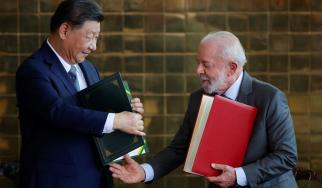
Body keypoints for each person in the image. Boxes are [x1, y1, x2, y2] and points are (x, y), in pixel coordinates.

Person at [109, 31, 298, 188]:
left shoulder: (270, 97)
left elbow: (286, 156)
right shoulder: (198, 98)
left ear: (231, 68)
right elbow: (180, 148)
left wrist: (239, 175)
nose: (198, 70)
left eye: (206, 65)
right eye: (198, 62)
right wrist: (144, 171)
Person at [15, 0, 145, 188]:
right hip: (56, 181)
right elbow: (57, 111)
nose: (94, 46)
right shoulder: (33, 70)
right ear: (64, 30)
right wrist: (116, 119)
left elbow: (95, 117)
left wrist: (125, 109)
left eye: (97, 37)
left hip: (98, 178)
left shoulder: (89, 68)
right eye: (90, 36)